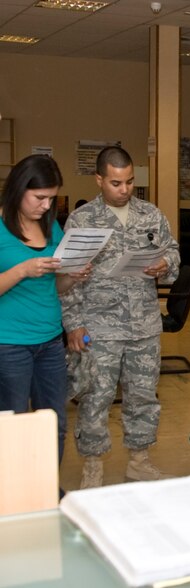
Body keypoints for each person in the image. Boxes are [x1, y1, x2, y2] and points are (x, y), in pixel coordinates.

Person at [61, 146, 180, 488]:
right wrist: (73, 324)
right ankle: (93, 465)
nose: (124, 189)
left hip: (144, 323)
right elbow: (66, 280)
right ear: (99, 180)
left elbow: (172, 252)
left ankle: (139, 461)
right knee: (95, 397)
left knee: (143, 395)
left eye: (129, 181)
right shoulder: (82, 221)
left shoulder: (151, 215)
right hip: (99, 327)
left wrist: (164, 265)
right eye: (115, 183)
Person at [0, 155, 91, 463]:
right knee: (12, 424)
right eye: (39, 198)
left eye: (50, 199)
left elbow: (55, 286)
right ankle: (12, 496)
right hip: (9, 343)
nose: (45, 205)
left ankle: (47, 489)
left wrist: (72, 276)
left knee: (54, 423)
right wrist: (22, 270)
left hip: (51, 341)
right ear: (18, 189)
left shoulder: (51, 226)